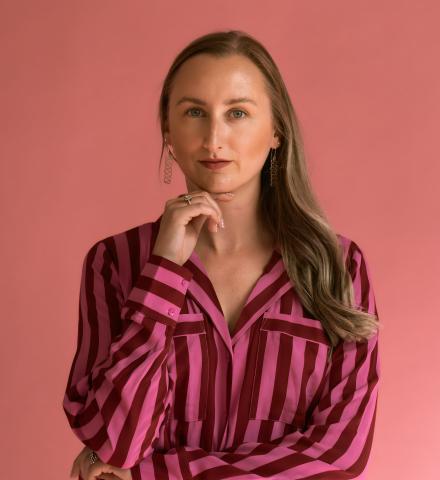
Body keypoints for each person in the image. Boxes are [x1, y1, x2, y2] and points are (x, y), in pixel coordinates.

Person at [63, 30, 381, 480]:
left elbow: (338, 455)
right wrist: (163, 271)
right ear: (168, 130)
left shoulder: (339, 267)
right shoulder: (114, 262)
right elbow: (117, 441)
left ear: (276, 130)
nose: (214, 138)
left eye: (237, 113)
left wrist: (154, 474)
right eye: (194, 112)